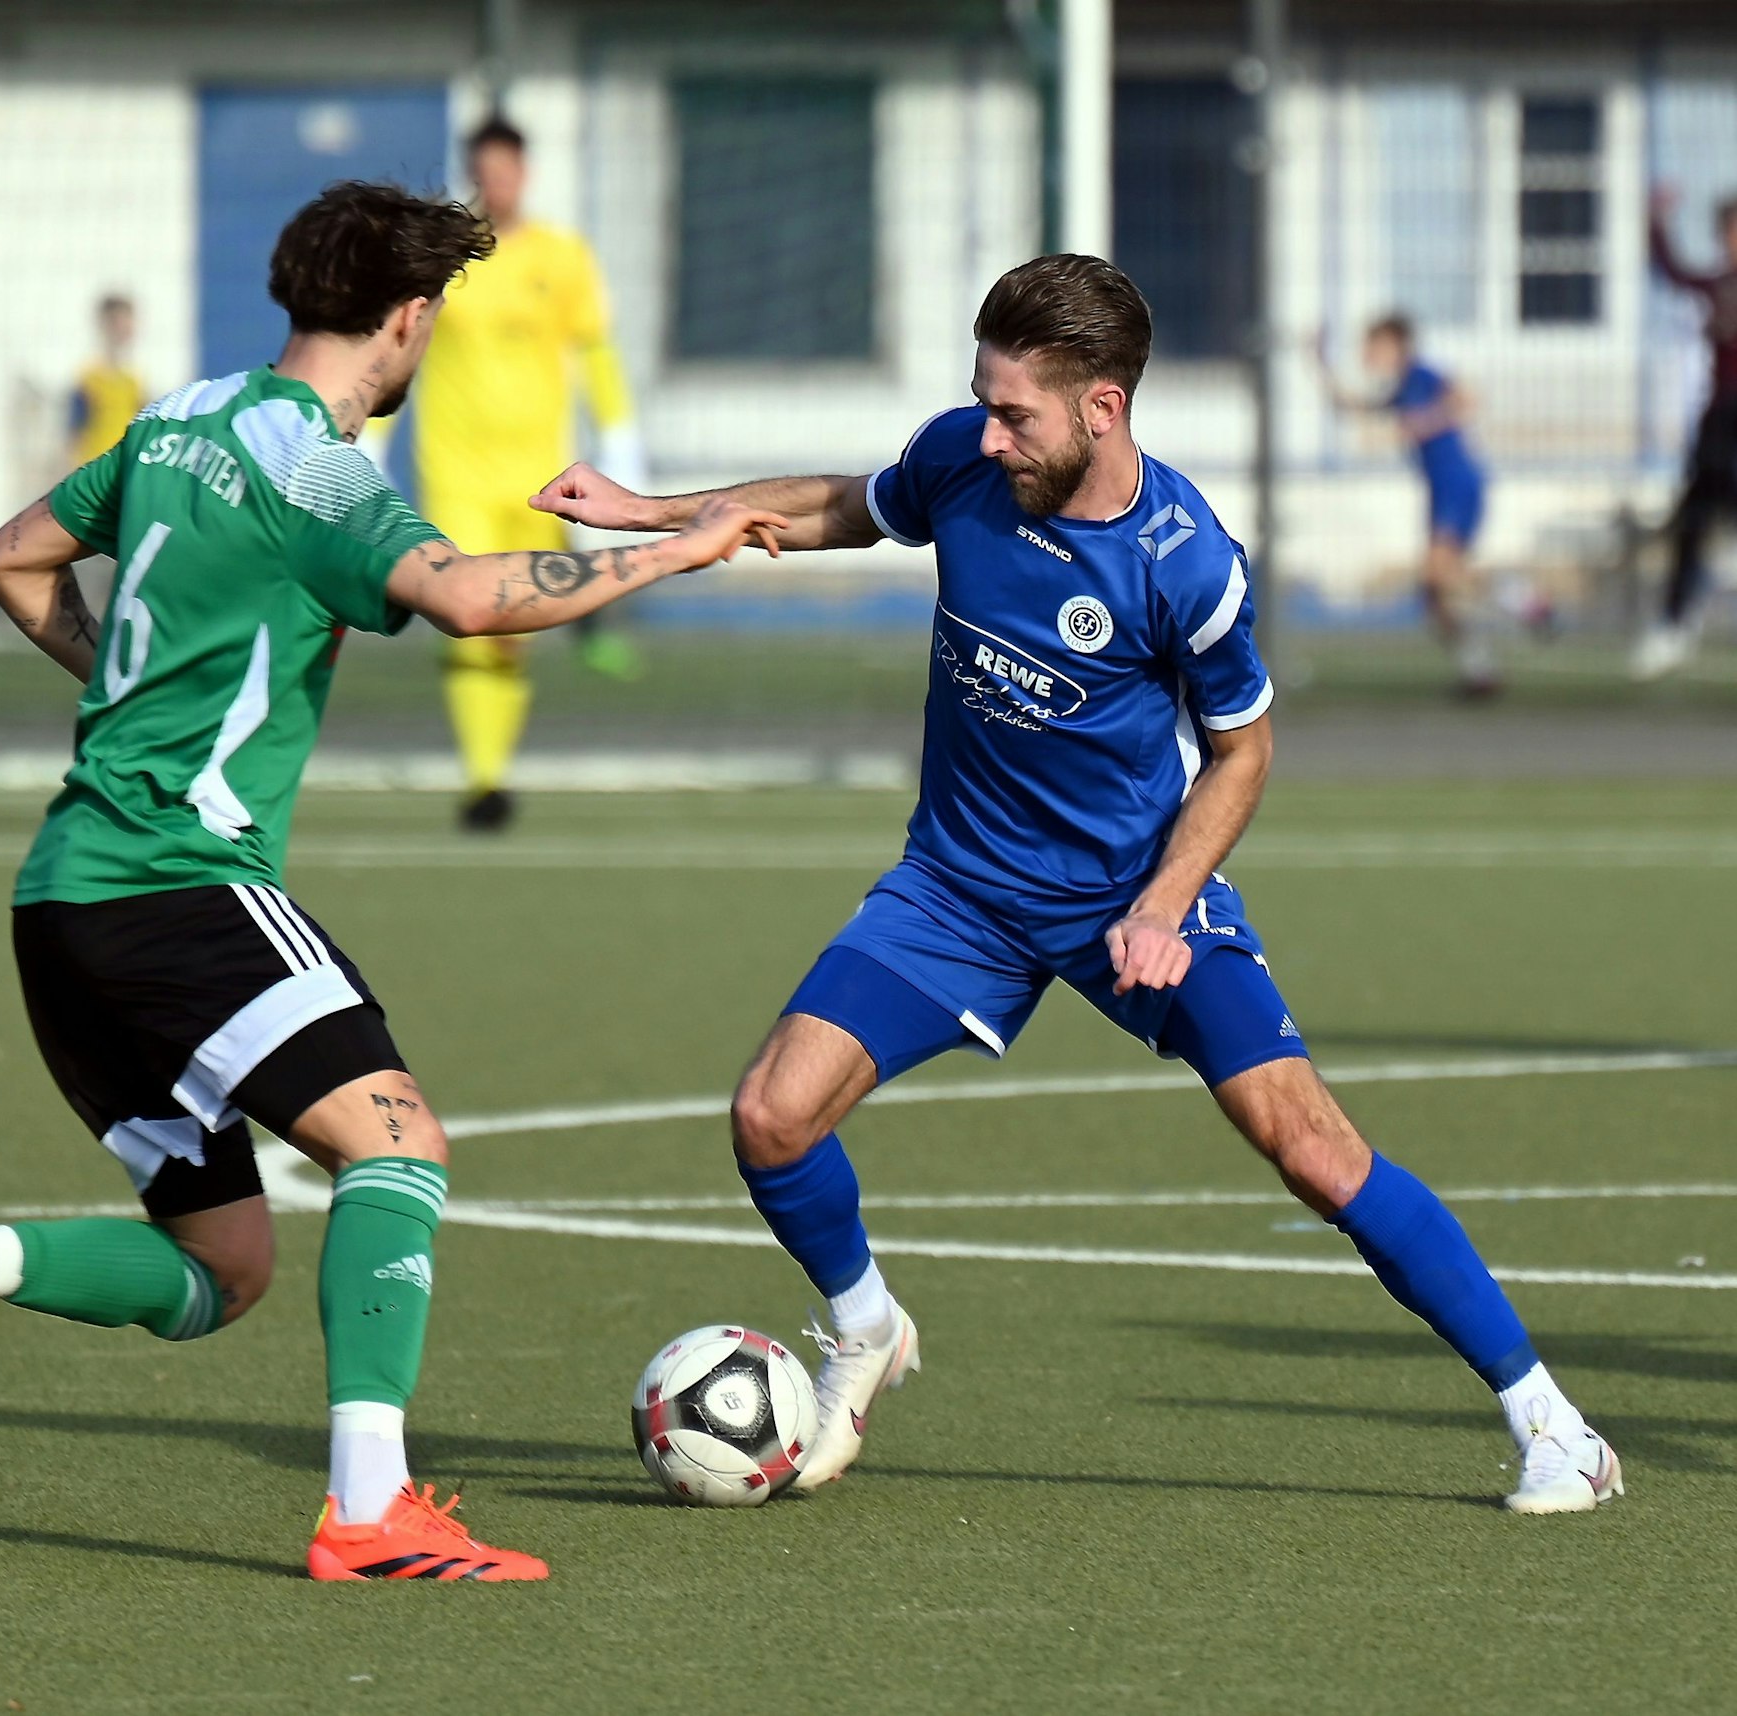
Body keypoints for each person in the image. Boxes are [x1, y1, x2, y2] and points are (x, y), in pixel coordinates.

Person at [535, 253, 1622, 1515]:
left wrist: (1162, 908)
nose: (988, 435)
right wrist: (650, 508)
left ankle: (1554, 1428)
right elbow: (848, 504)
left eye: (1017, 415)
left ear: (1102, 407)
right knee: (773, 1116)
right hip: (958, 887)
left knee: (1313, 1152)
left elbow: (1242, 751)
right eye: (983, 404)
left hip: (1131, 891)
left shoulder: (1185, 563)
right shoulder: (963, 461)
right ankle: (865, 1327)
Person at [0, 181, 783, 1581]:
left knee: (224, 1269)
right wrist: (678, 548)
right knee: (396, 1147)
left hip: (62, 900)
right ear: (406, 317)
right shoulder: (317, 469)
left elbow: (11, 557)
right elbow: (469, 596)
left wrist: (127, 685)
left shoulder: (173, 420)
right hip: (177, 883)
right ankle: (368, 1512)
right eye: (434, 319)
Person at [414, 114, 647, 832]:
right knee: (470, 617)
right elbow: (402, 344)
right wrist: (366, 438)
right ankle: (484, 779)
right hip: (454, 469)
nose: (498, 182)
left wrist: (619, 434)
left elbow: (596, 351)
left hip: (535, 473)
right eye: (484, 170)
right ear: (472, 173)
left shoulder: (562, 255)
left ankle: (495, 765)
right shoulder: (443, 254)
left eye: (508, 169)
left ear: (524, 173)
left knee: (513, 627)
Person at [1318, 314, 1497, 695]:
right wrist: (1320, 362)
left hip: (1457, 483)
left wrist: (1419, 423)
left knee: (1439, 574)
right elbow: (1351, 407)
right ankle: (1478, 671)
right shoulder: (1401, 388)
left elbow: (1466, 400)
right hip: (1439, 489)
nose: (1369, 354)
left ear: (1398, 345)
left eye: (1376, 345)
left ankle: (1528, 604)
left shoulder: (1423, 375)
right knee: (1433, 594)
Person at [1635, 186, 1737, 680]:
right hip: (1720, 415)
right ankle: (1674, 622)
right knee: (1694, 520)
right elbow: (1673, 272)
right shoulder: (1717, 284)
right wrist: (1654, 219)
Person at [67, 294, 147, 468]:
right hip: (94, 471)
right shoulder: (89, 380)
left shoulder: (134, 382)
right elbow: (74, 434)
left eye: (127, 322)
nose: (124, 330)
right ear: (104, 326)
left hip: (124, 470)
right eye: (117, 323)